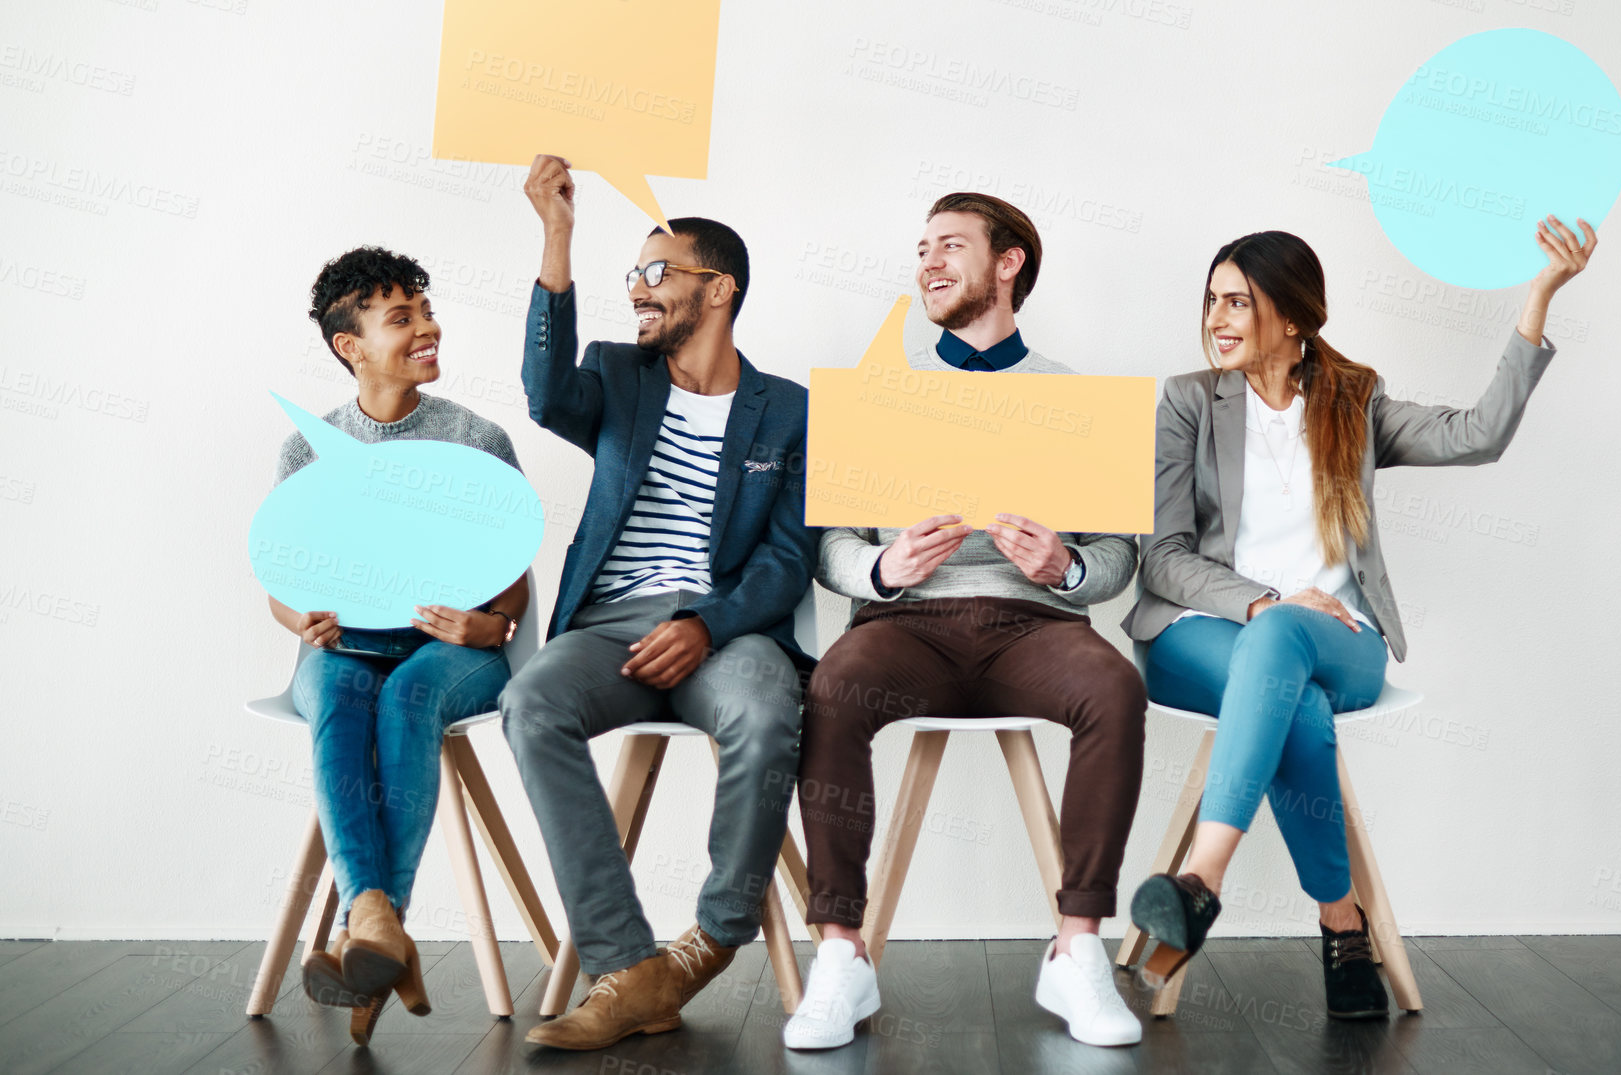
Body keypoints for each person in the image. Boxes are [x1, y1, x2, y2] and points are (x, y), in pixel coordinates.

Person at [1123, 219, 1598, 1018]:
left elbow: (1478, 436)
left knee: (1283, 651)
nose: (1217, 318)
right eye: (1211, 300)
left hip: (1337, 638)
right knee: (1287, 683)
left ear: (1296, 318)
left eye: (1238, 301)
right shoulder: (1187, 401)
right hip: (1198, 632)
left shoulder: (1354, 398)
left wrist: (1538, 296)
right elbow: (1163, 555)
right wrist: (1264, 600)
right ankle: (1341, 924)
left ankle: (1198, 880)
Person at [785, 192, 1148, 1051]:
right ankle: (841, 954)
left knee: (1114, 686)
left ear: (1009, 262)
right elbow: (828, 540)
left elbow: (1119, 556)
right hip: (905, 622)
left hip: (1037, 626)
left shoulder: (1074, 398)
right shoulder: (884, 393)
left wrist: (1065, 567)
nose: (928, 264)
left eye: (950, 245)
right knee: (831, 685)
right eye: (921, 249)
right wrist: (880, 567)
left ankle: (1078, 945)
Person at [500, 155, 819, 1052]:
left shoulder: (789, 410)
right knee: (529, 703)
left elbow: (789, 556)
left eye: (655, 273)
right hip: (608, 624)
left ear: (716, 289)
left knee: (766, 707)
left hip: (726, 627)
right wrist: (557, 235)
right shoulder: (616, 374)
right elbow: (543, 391)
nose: (637, 290)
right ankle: (626, 962)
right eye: (632, 273)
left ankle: (712, 937)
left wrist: (707, 623)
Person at [267, 245, 530, 1045]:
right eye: (402, 317)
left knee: (409, 696)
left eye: (425, 308)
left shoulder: (474, 436)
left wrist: (497, 624)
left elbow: (512, 571)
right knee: (343, 699)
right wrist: (300, 619)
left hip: (452, 650)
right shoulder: (308, 447)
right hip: (345, 644)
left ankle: (371, 926)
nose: (428, 327)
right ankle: (379, 927)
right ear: (351, 345)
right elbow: (280, 578)